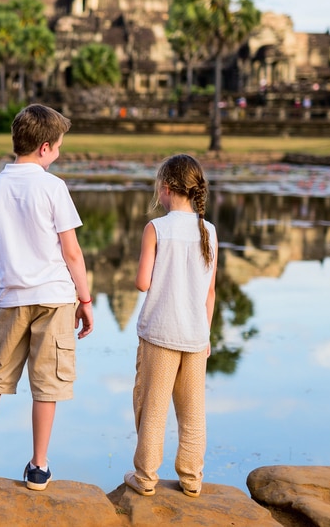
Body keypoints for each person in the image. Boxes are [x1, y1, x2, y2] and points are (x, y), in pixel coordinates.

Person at [0, 104, 94, 492]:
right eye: (58, 147)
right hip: (55, 299)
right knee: (47, 384)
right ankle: (38, 466)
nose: (58, 153)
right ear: (44, 148)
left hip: (11, 297)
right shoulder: (52, 186)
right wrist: (86, 299)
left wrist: (2, 286)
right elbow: (72, 252)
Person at [124, 154, 218, 499]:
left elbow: (142, 283)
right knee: (193, 414)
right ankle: (192, 479)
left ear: (166, 189)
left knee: (153, 408)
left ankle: (146, 477)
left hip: (160, 334)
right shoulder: (208, 231)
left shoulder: (156, 228)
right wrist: (205, 335)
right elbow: (210, 291)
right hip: (195, 336)